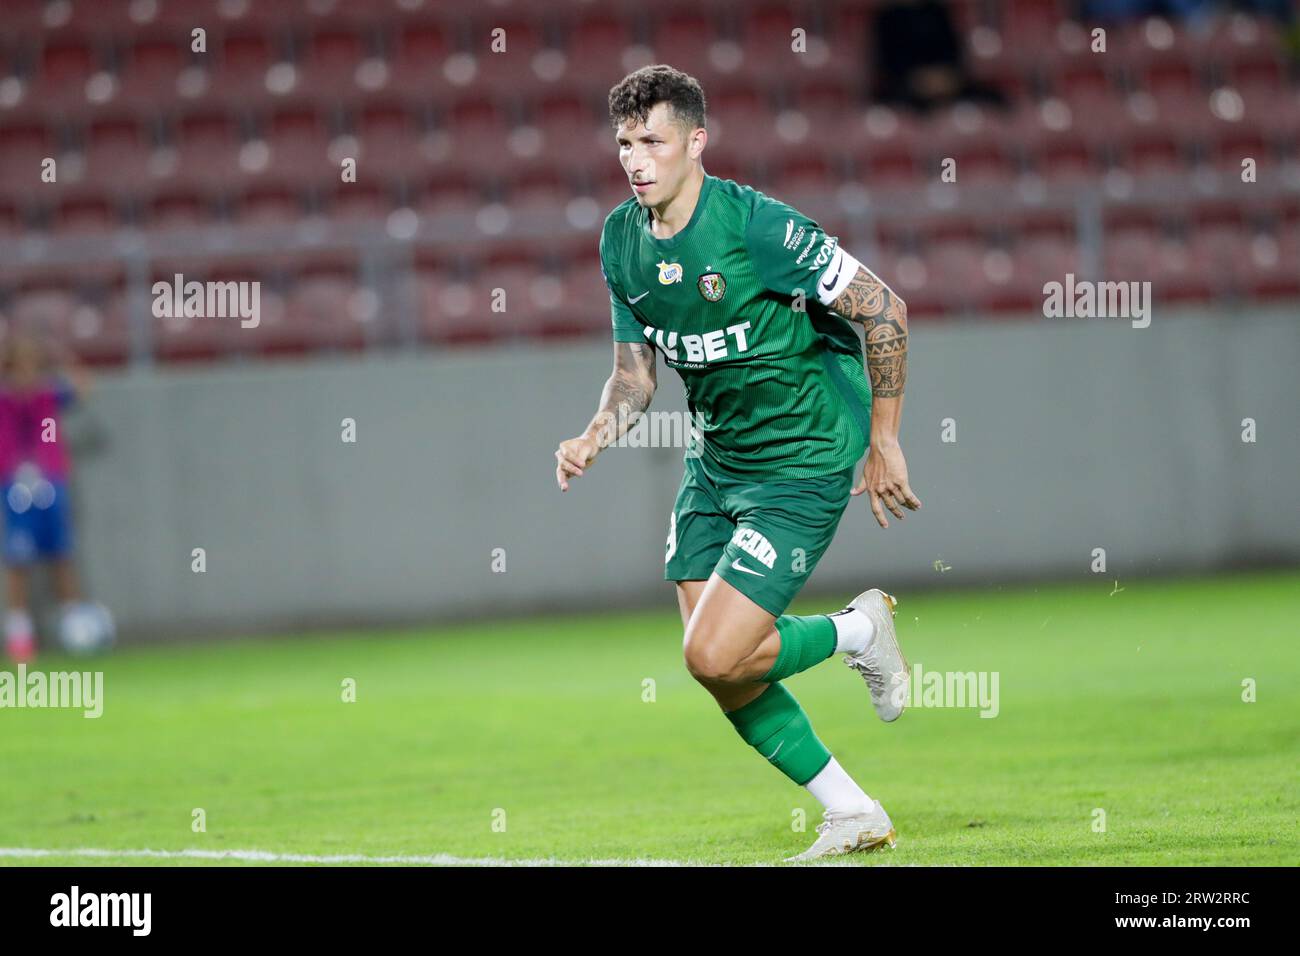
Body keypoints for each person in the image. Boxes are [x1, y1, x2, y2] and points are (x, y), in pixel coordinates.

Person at [553, 66, 922, 861]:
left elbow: (883, 308)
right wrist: (592, 436)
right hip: (716, 462)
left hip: (803, 458)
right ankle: (852, 811)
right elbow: (635, 376)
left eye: (652, 140)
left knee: (711, 653)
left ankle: (859, 630)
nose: (636, 159)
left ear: (696, 141)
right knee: (719, 666)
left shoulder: (757, 229)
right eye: (624, 143)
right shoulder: (621, 239)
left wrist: (885, 438)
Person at [0, 332, 91, 662]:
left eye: (32, 367)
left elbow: (83, 386)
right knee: (18, 558)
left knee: (61, 554)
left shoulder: (50, 396)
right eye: (18, 367)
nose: (26, 375)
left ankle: (75, 628)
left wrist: (61, 356)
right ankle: (19, 633)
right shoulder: (3, 401)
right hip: (14, 485)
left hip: (51, 481)